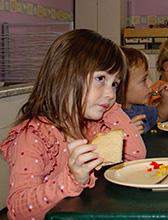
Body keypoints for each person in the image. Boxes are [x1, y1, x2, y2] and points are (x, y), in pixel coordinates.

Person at [0, 29, 147, 219]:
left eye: (115, 84)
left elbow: (136, 156)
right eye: (101, 79)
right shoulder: (33, 136)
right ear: (65, 75)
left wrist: (110, 108)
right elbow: (18, 209)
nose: (111, 94)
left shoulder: (92, 127)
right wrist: (71, 179)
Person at [119, 47, 168, 133]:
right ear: (122, 86)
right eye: (144, 80)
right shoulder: (112, 119)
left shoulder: (138, 109)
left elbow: (160, 116)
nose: (150, 84)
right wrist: (126, 133)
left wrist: (166, 99)